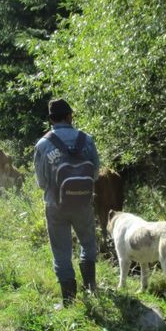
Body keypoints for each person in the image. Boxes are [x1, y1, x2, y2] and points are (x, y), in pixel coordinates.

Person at [34, 98, 100, 305]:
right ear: (70, 116)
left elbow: (41, 182)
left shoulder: (43, 144)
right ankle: (91, 289)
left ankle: (69, 301)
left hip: (56, 206)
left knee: (61, 251)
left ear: (51, 119)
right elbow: (95, 174)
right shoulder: (86, 140)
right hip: (83, 204)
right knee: (88, 244)